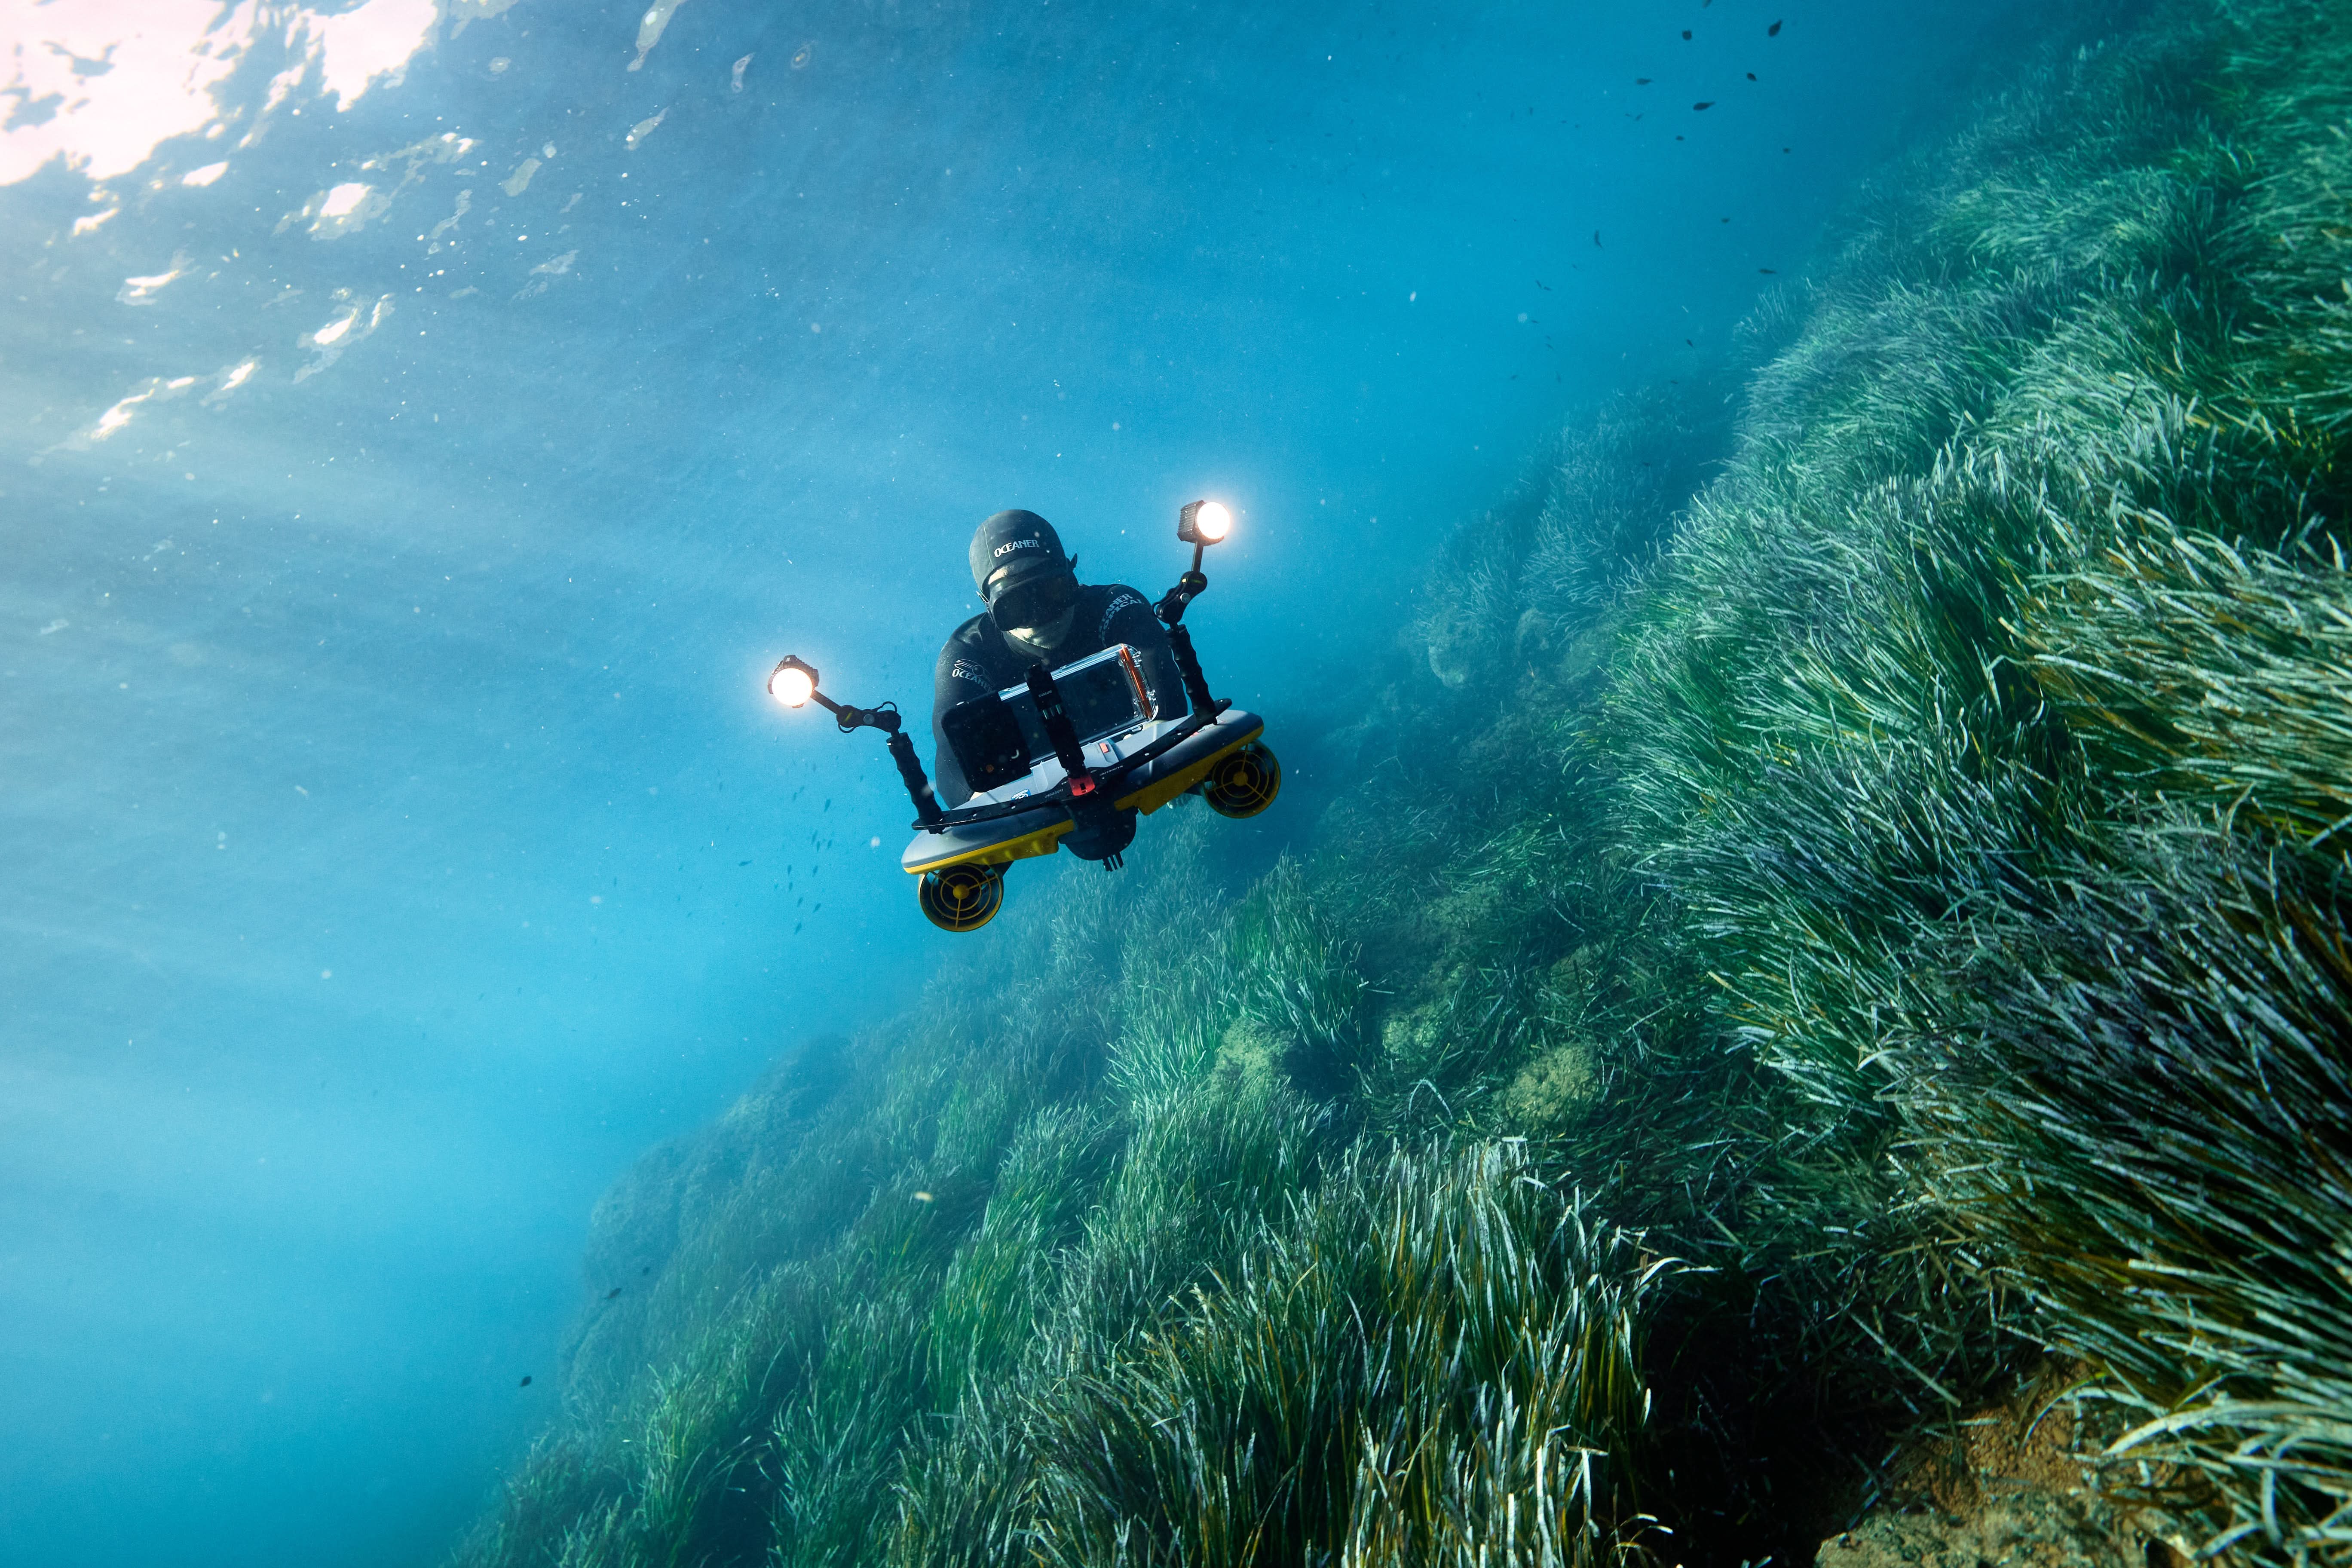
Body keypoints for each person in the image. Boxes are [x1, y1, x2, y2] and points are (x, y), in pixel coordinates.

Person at [931, 509, 1182, 804]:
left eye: (1051, 591)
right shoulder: (969, 654)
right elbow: (955, 769)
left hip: (1136, 769)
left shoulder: (1114, 607)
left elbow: (1166, 695)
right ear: (988, 605)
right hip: (1039, 802)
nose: (1040, 617)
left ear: (1071, 575)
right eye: (1015, 606)